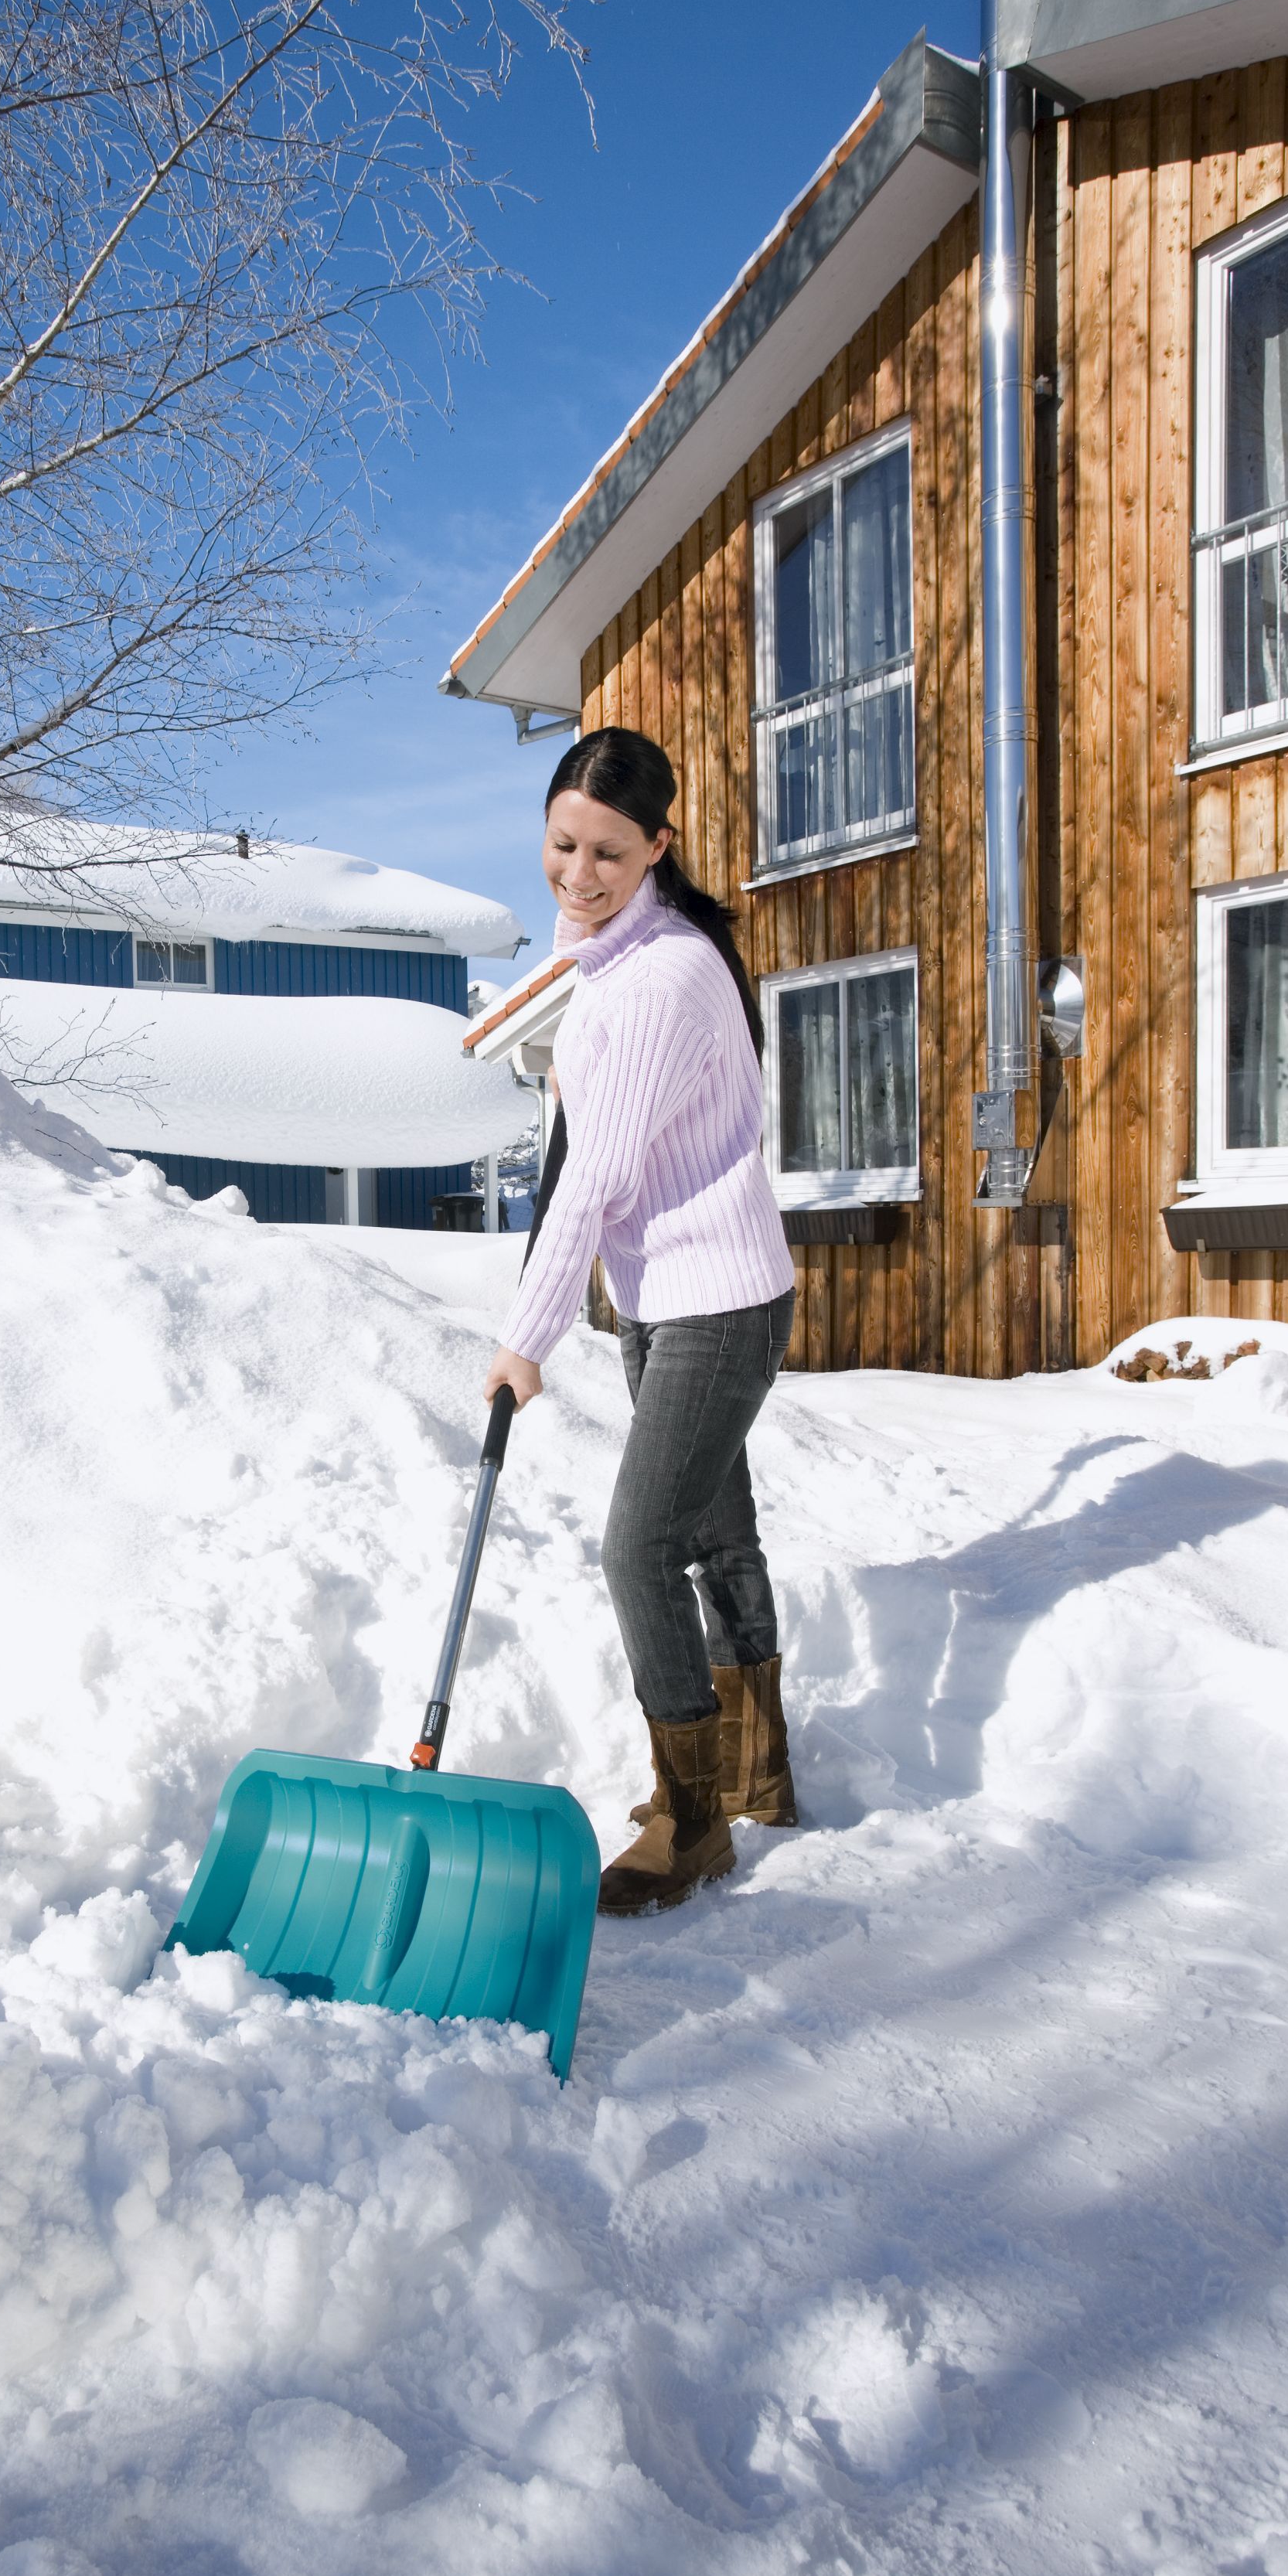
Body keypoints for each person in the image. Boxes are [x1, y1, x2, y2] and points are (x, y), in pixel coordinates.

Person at [484, 726, 798, 1917]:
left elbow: (595, 1174)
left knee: (637, 1549)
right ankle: (751, 1770)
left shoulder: (657, 975)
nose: (578, 873)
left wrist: (526, 1339)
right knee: (713, 1539)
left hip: (712, 1301)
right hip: (677, 1297)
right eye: (562, 844)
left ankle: (692, 1817)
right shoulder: (625, 956)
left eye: (609, 852)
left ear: (658, 846)